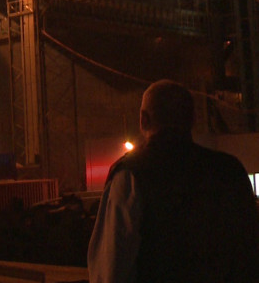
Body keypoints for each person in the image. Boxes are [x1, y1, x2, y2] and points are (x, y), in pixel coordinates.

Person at [88, 79, 259, 282]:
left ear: (143, 120)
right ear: (192, 120)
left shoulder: (130, 175)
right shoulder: (229, 170)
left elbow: (111, 267)